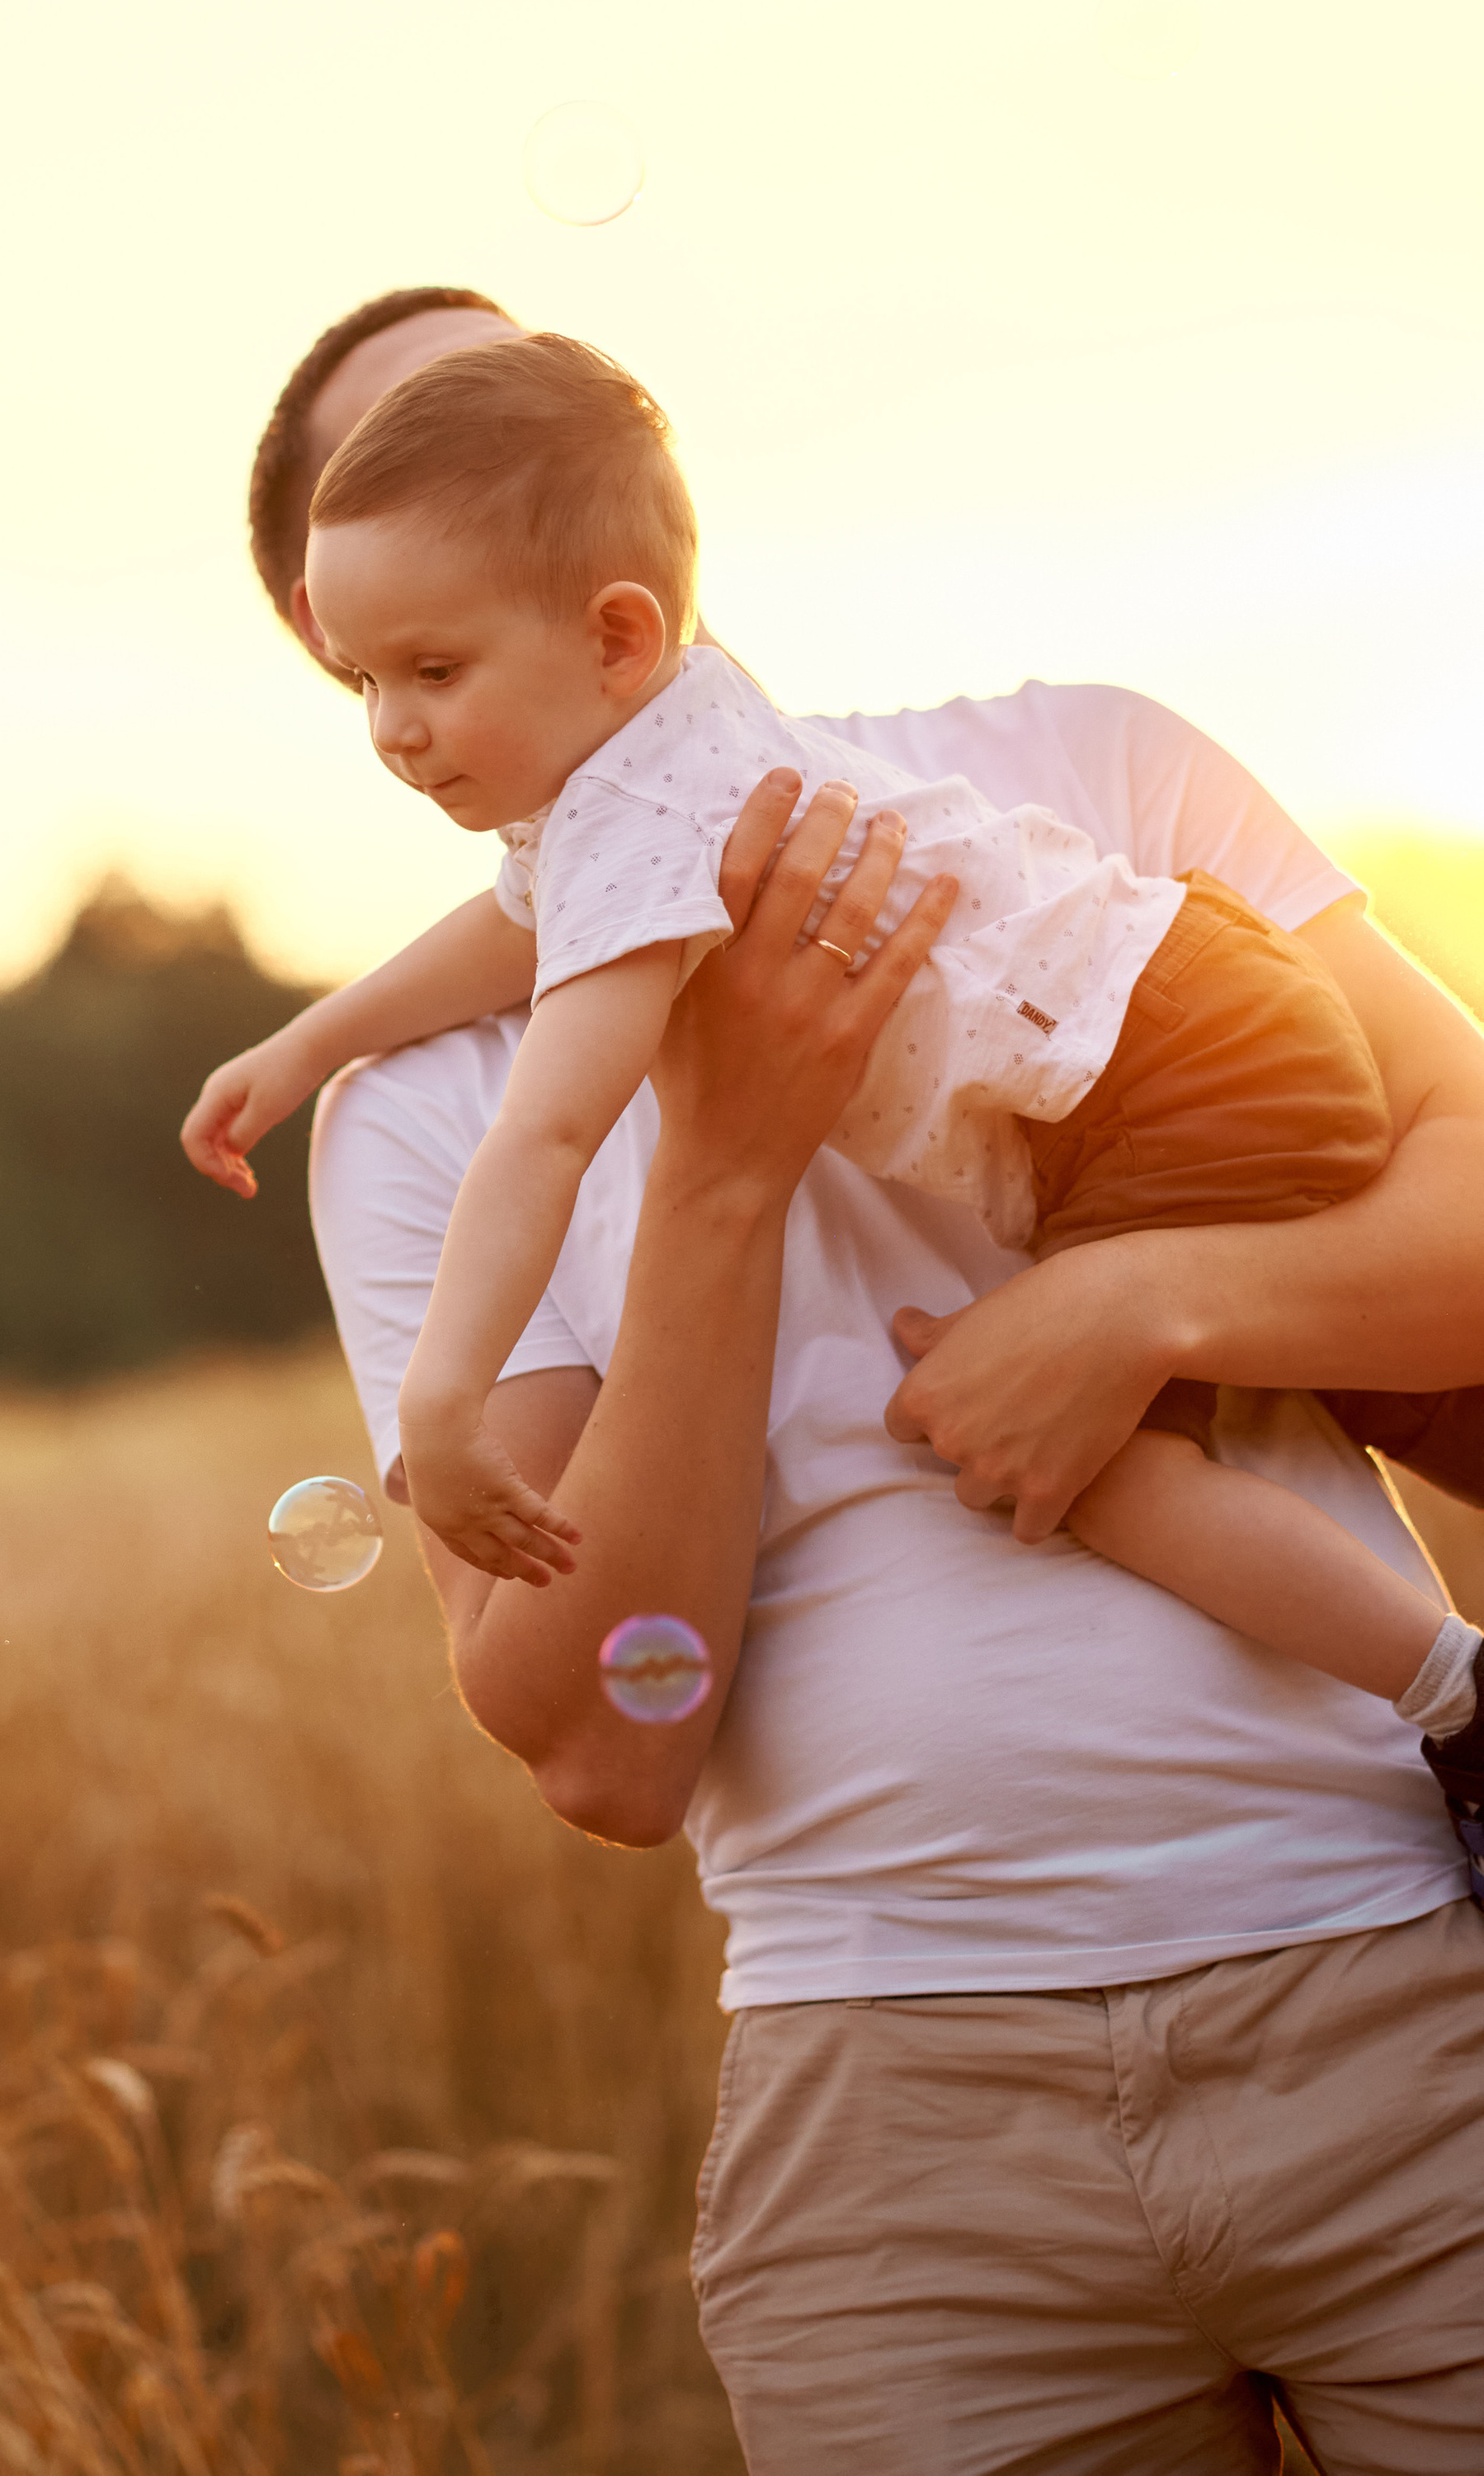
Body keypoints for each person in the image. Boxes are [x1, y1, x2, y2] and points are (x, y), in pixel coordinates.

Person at [234, 285, 1484, 2469]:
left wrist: (1143, 1312)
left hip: (1388, 1977)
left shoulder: (1084, 763)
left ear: (606, 581)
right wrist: (716, 1178)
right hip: (902, 2132)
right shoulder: (438, 1092)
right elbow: (594, 1746)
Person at [192, 324, 1484, 1829]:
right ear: (315, 606)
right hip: (1193, 1005)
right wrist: (315, 1038)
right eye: (367, 674)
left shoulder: (1032, 759)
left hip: (1177, 1067)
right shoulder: (670, 741)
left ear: (614, 623)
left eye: (429, 666)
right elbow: (511, 921)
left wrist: (445, 1399)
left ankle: (1458, 1698)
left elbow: (549, 1127)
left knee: (1109, 1465)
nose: (392, 725)